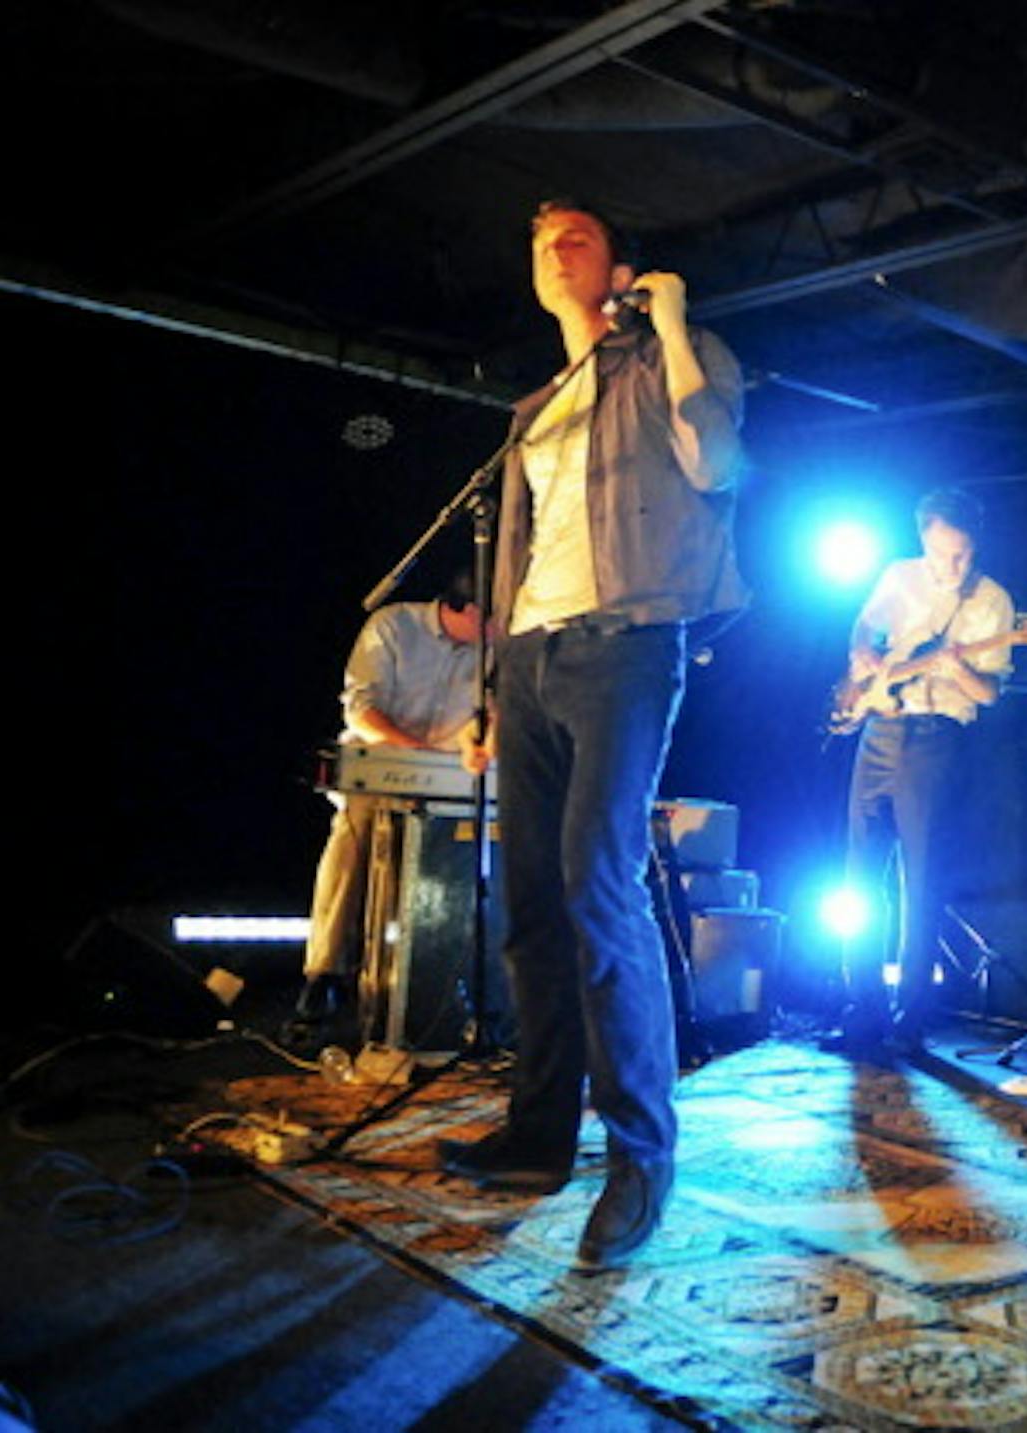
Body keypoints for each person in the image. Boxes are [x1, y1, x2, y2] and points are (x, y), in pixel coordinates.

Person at [437, 198, 748, 1275]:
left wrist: (667, 325)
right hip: (530, 657)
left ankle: (640, 1157)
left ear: (622, 265)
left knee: (594, 887)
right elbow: (517, 557)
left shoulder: (681, 358)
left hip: (626, 647)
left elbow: (715, 468)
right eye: (538, 244)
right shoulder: (539, 406)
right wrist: (491, 690)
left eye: (576, 237)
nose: (553, 252)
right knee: (527, 902)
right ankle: (537, 1134)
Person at [832, 487, 1014, 1058]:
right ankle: (860, 1013)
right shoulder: (900, 577)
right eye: (940, 555)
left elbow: (989, 693)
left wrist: (958, 670)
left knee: (920, 882)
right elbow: (864, 627)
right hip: (879, 731)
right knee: (859, 880)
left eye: (960, 555)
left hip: (936, 739)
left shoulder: (993, 603)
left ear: (975, 545)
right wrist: (863, 655)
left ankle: (911, 1022)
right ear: (923, 541)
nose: (950, 567)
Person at [292, 579, 483, 1033]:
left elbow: (485, 718)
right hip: (382, 763)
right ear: (469, 607)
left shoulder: (492, 654)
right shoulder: (393, 625)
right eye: (492, 618)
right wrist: (414, 754)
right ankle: (325, 974)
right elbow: (363, 709)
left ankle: (446, 982)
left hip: (449, 779)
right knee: (354, 839)